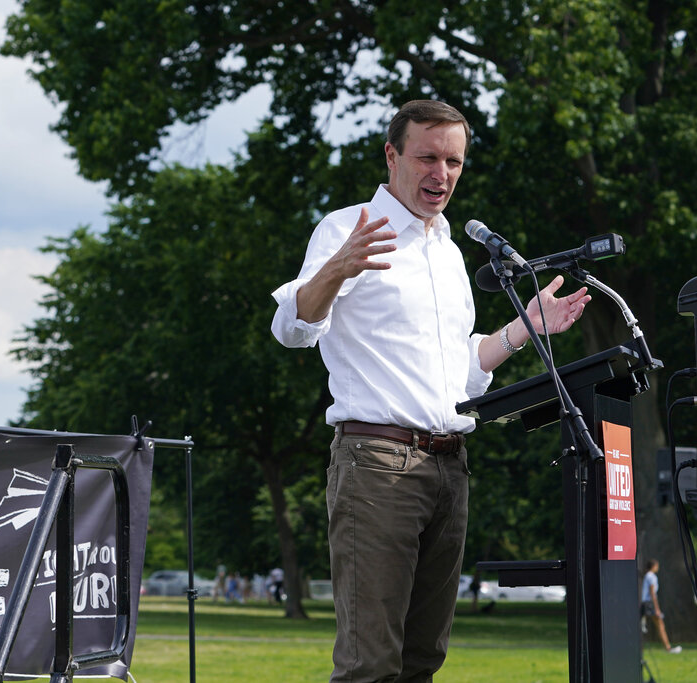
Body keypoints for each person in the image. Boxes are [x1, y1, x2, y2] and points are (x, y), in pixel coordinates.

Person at [270, 99, 591, 682]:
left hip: (450, 467)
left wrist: (526, 327)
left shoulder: (448, 251)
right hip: (378, 466)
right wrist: (338, 268)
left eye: (454, 161)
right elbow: (293, 329)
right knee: (371, 664)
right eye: (427, 158)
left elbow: (459, 374)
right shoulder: (348, 229)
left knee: (423, 662)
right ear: (392, 156)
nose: (441, 174)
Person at [641, 559, 683, 653]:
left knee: (658, 624)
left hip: (645, 603)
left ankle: (667, 647)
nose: (658, 567)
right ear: (653, 566)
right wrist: (657, 609)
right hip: (650, 603)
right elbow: (652, 593)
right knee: (660, 624)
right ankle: (668, 648)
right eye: (657, 566)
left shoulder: (647, 576)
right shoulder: (651, 576)